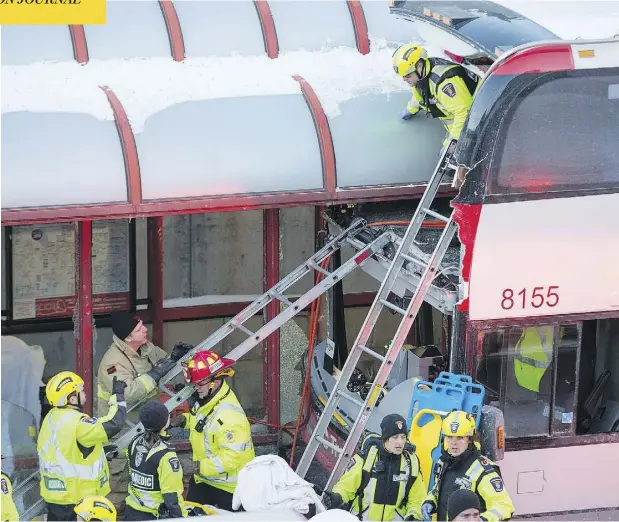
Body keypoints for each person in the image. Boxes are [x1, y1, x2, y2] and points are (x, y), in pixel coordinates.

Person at [170, 350, 255, 510]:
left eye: (199, 384)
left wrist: (196, 467)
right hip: (204, 479)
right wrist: (183, 420)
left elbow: (230, 458)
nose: (195, 388)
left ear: (214, 382)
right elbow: (204, 423)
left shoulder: (230, 416)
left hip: (229, 488)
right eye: (194, 384)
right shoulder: (208, 399)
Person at [37, 371, 127, 521]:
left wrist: (97, 451)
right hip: (76, 501)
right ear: (72, 398)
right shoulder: (78, 423)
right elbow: (114, 423)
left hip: (56, 498)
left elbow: (67, 449)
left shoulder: (52, 417)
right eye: (81, 390)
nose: (84, 393)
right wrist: (118, 396)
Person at [322, 413, 426, 521]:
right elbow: (346, 487)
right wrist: (337, 497)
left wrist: (414, 516)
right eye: (395, 437)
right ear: (385, 438)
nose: (400, 442)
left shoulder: (411, 464)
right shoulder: (367, 459)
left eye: (403, 437)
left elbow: (417, 500)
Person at [96, 312, 193, 419]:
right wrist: (153, 374)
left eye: (142, 324)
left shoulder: (144, 346)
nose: (145, 329)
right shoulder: (112, 365)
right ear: (128, 338)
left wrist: (174, 358)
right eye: (139, 329)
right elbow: (127, 393)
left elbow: (161, 366)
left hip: (147, 413)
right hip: (124, 425)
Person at [421, 411, 514, 522]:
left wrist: (482, 520)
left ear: (470, 439)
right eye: (449, 437)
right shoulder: (444, 462)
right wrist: (430, 501)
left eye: (460, 437)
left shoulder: (483, 470)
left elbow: (504, 506)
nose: (453, 443)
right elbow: (438, 490)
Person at [392, 43, 478, 156]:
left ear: (419, 66)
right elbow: (420, 95)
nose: (404, 79)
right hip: (457, 119)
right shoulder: (420, 76)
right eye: (402, 76)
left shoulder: (444, 83)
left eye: (407, 75)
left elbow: (464, 113)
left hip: (474, 122)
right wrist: (410, 109)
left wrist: (452, 143)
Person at [124, 401, 188, 520]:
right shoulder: (166, 456)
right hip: (153, 515)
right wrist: (182, 518)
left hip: (131, 512)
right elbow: (172, 496)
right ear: (164, 423)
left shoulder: (134, 442)